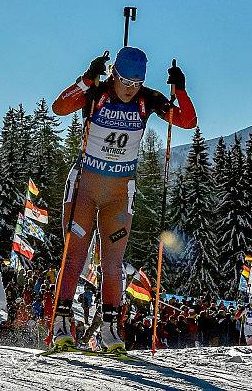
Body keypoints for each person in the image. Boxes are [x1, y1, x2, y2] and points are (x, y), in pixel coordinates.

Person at [50, 47, 197, 351]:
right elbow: (59, 108)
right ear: (114, 74)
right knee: (75, 255)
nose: (130, 90)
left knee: (113, 263)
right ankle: (61, 324)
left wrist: (180, 90)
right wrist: (86, 79)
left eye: (136, 84)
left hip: (119, 193)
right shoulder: (97, 93)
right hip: (86, 187)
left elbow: (187, 122)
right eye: (125, 82)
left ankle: (109, 331)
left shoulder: (147, 99)